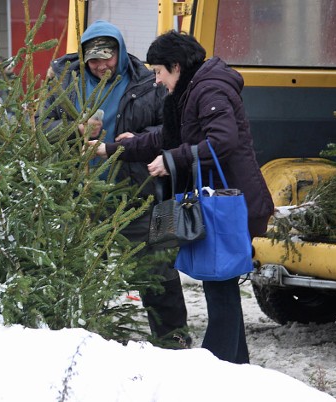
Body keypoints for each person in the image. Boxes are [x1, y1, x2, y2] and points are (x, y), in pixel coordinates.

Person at [90, 31, 274, 363]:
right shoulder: (191, 89)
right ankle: (236, 365)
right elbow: (167, 137)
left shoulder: (209, 87)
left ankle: (215, 363)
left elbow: (223, 141)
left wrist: (173, 159)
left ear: (176, 66)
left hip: (227, 203)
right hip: (217, 201)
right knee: (221, 285)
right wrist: (111, 149)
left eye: (159, 71)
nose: (157, 80)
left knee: (219, 286)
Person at [42, 20, 190, 347]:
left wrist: (138, 140)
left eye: (107, 58)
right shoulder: (65, 81)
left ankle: (172, 340)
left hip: (138, 195)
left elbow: (170, 129)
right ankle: (77, 342)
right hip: (78, 198)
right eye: (93, 60)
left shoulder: (147, 81)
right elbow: (41, 128)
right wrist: (76, 131)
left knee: (157, 269)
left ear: (120, 52)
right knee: (79, 272)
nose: (101, 66)